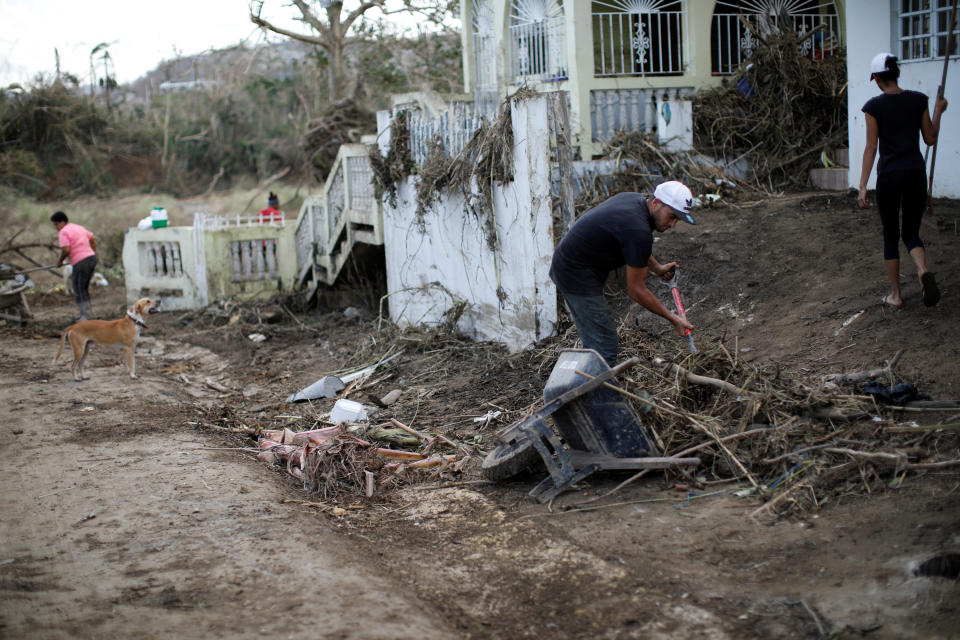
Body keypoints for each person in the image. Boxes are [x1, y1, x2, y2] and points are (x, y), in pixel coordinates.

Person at [549, 181, 696, 367]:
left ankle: (583, 384)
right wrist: (673, 318)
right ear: (657, 203)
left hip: (573, 263)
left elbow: (635, 246)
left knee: (597, 342)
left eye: (678, 220)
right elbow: (636, 290)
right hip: (575, 273)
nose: (673, 224)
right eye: (672, 216)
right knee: (605, 346)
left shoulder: (635, 201)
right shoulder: (638, 229)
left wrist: (657, 268)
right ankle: (597, 393)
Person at [858, 52, 947, 308]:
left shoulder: (873, 106)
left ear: (875, 78)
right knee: (910, 232)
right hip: (915, 174)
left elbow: (871, 147)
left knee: (891, 235)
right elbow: (930, 138)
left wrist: (863, 186)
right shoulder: (918, 100)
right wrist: (938, 110)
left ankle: (896, 296)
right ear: (896, 73)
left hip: (889, 176)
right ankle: (922, 271)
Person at [51, 211, 97, 321]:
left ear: (62, 222)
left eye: (56, 224)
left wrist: (60, 261)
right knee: (83, 288)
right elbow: (92, 239)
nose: (56, 227)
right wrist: (92, 252)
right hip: (91, 258)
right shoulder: (78, 227)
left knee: (79, 289)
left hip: (80, 262)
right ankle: (87, 315)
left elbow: (66, 249)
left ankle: (85, 316)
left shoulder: (63, 232)